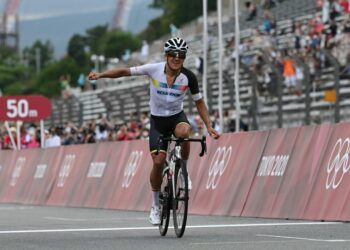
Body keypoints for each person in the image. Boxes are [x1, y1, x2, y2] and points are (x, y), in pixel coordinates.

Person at [88, 37, 220, 226]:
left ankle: (183, 170)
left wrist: (209, 126)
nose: (177, 58)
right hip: (157, 122)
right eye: (173, 54)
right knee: (158, 162)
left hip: (176, 117)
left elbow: (199, 102)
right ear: (167, 55)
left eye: (181, 55)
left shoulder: (189, 77)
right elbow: (125, 71)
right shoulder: (154, 69)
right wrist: (101, 75)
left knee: (185, 131)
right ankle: (155, 206)